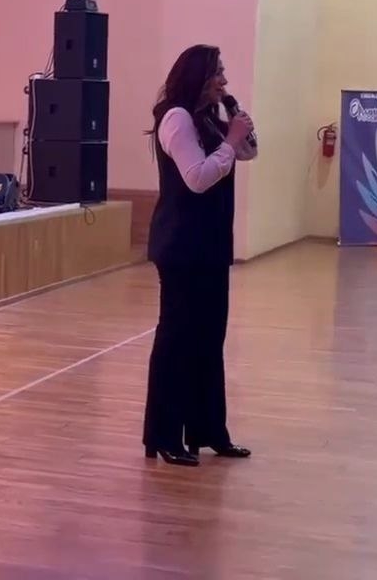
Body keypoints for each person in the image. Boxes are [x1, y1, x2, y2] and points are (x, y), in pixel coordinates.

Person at [142, 44, 256, 467]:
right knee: (177, 340)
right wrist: (231, 140)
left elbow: (248, 152)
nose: (224, 81)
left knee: (209, 339)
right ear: (198, 77)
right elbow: (197, 178)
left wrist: (237, 130)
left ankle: (208, 431)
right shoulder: (176, 119)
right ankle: (164, 435)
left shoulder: (208, 118)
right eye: (217, 74)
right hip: (181, 247)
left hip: (209, 246)